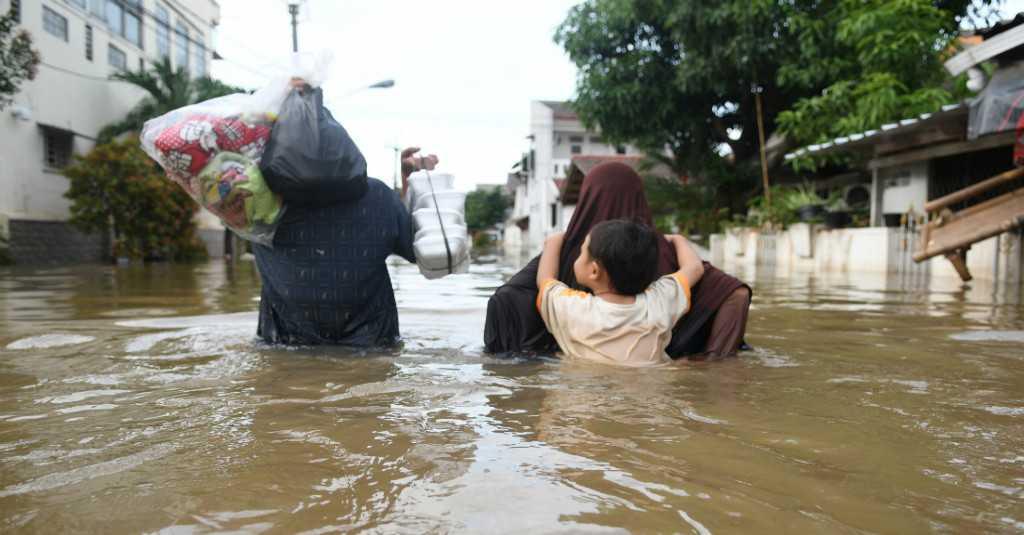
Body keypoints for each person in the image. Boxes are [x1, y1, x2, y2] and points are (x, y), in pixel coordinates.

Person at [484, 161, 751, 359]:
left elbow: (516, 295)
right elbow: (729, 291)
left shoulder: (568, 261)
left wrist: (553, 243)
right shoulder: (658, 271)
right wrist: (712, 362)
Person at [253, 147, 437, 346]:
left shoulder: (260, 209)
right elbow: (420, 250)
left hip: (282, 351)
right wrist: (412, 178)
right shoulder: (378, 197)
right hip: (371, 352)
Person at [536, 220, 705, 366]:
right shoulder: (660, 300)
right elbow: (695, 268)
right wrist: (678, 239)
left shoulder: (572, 307)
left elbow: (545, 280)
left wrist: (553, 242)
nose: (578, 257)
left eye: (581, 252)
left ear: (594, 271)